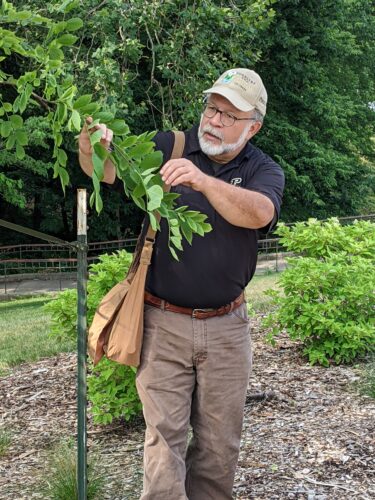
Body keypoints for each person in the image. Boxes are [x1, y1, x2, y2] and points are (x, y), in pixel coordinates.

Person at [79, 68, 285, 500]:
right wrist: (91, 145)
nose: (213, 120)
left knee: (218, 443)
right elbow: (107, 170)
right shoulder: (168, 146)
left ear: (254, 127)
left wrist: (203, 182)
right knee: (164, 437)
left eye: (229, 116)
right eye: (212, 108)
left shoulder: (263, 169)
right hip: (161, 320)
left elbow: (259, 214)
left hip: (228, 328)